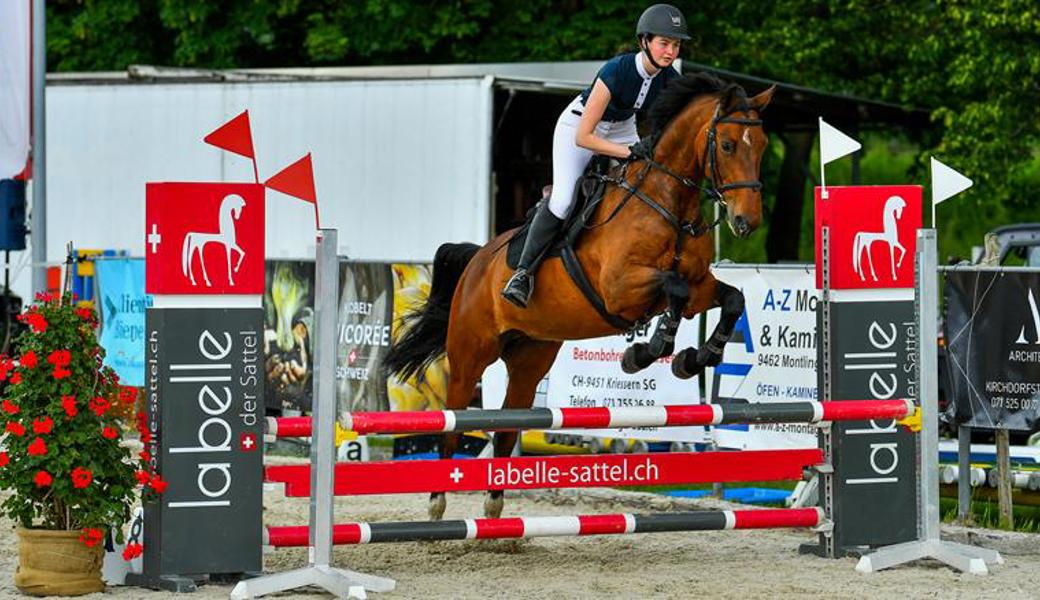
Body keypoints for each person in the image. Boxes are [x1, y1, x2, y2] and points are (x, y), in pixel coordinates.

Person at [501, 4, 690, 308]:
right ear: (645, 42)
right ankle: (522, 274)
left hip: (622, 127)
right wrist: (629, 151)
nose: (670, 51)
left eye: (676, 44)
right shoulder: (617, 70)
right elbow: (585, 137)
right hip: (578, 127)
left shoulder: (667, 79)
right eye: (664, 43)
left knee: (647, 182)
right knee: (563, 200)